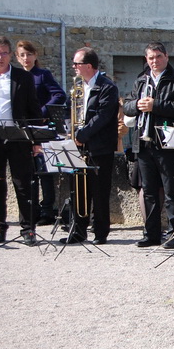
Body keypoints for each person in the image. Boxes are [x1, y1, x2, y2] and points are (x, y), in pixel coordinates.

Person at [122, 41, 174, 249]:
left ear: (167, 57)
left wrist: (156, 106)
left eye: (158, 57)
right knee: (149, 191)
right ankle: (151, 233)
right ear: (146, 59)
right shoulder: (141, 80)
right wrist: (137, 105)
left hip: (167, 143)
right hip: (143, 144)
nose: (154, 61)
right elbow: (127, 105)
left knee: (172, 191)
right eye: (151, 58)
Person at [0, 36, 42, 245]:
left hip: (18, 135)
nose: (0, 57)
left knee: (23, 183)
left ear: (10, 55)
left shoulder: (23, 78)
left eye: (4, 53)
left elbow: (33, 109)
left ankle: (27, 229)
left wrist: (35, 140)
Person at [64, 47, 119, 245]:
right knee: (78, 190)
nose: (74, 67)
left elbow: (103, 117)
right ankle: (77, 231)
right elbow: (69, 110)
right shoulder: (78, 87)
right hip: (79, 146)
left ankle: (100, 232)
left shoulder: (107, 87)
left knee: (99, 190)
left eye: (76, 64)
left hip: (100, 147)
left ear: (88, 66)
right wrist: (72, 133)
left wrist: (82, 134)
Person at [15, 40, 67, 225]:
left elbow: (59, 95)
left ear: (35, 56)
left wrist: (42, 113)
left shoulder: (42, 75)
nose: (26, 58)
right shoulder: (17, 77)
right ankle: (33, 209)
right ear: (17, 58)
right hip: (23, 129)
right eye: (22, 55)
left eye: (29, 54)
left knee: (44, 170)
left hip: (41, 127)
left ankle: (47, 210)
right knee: (28, 171)